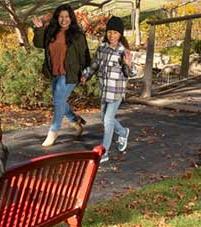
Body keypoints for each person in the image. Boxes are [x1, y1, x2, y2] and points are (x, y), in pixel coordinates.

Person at [31, 4, 91, 147]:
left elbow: (84, 56)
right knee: (60, 101)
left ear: (71, 18)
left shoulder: (77, 35)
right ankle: (75, 120)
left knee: (58, 100)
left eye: (67, 17)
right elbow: (38, 44)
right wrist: (39, 29)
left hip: (70, 74)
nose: (64, 20)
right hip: (55, 72)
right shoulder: (51, 32)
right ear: (57, 18)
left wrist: (86, 73)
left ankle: (53, 131)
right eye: (61, 17)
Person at [80, 16, 137, 163]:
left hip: (116, 92)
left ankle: (104, 152)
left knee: (108, 120)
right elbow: (95, 65)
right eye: (110, 32)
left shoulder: (123, 52)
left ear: (120, 35)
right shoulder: (102, 48)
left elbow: (131, 73)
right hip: (104, 90)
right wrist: (86, 75)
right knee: (105, 118)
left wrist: (129, 65)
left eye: (115, 33)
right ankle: (123, 132)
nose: (112, 35)